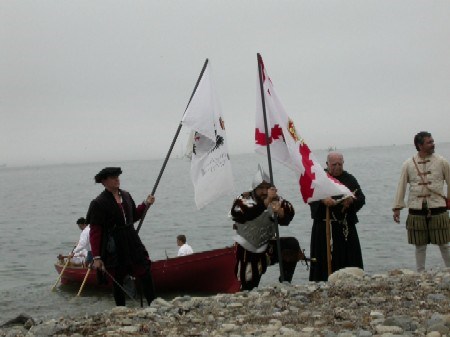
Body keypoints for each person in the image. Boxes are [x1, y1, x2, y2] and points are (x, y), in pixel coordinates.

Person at [88, 167, 156, 306]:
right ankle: (121, 310)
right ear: (104, 181)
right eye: (113, 177)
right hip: (114, 243)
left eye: (117, 176)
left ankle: (154, 305)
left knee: (144, 270)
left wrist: (146, 204)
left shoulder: (126, 195)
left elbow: (134, 216)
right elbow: (95, 231)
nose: (117, 179)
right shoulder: (98, 203)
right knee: (118, 277)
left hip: (131, 239)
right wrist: (96, 257)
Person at [230, 165, 300, 291]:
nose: (264, 191)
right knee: (248, 288)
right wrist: (266, 202)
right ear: (254, 189)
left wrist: (281, 212)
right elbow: (246, 214)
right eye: (261, 188)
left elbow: (289, 214)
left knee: (291, 244)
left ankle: (285, 283)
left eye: (267, 188)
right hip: (247, 248)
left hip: (267, 246)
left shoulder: (276, 200)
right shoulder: (243, 200)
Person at [392, 131, 450, 272]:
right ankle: (420, 273)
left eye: (432, 141)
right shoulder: (408, 164)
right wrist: (397, 207)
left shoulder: (442, 162)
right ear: (419, 145)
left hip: (438, 205)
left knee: (443, 243)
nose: (432, 144)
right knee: (420, 245)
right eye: (429, 142)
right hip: (416, 207)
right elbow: (401, 185)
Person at [309, 152, 365, 282]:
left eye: (340, 164)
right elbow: (310, 196)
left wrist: (351, 201)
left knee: (348, 259)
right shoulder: (320, 178)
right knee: (323, 260)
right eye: (334, 164)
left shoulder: (349, 179)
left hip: (344, 226)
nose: (337, 167)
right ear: (327, 164)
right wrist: (323, 200)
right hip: (324, 226)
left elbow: (361, 198)